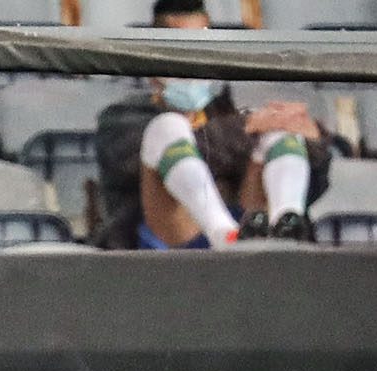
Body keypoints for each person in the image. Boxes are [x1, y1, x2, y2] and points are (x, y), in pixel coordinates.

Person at [94, 0, 333, 250]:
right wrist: (250, 126)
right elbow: (208, 144)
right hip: (165, 251)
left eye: (201, 48)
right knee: (167, 128)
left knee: (278, 134)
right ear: (153, 56)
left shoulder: (226, 113)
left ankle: (286, 228)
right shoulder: (121, 120)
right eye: (181, 50)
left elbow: (314, 189)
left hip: (251, 237)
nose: (194, 61)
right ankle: (224, 234)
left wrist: (311, 142)